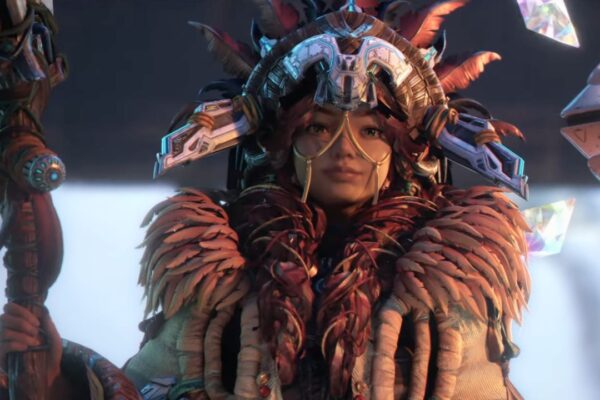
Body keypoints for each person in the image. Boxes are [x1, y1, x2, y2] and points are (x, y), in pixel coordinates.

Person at [0, 1, 530, 399]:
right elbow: (151, 389)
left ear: (403, 150)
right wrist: (57, 381)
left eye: (371, 131)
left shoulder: (447, 281)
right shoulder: (216, 271)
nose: (344, 148)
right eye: (318, 126)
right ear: (280, 140)